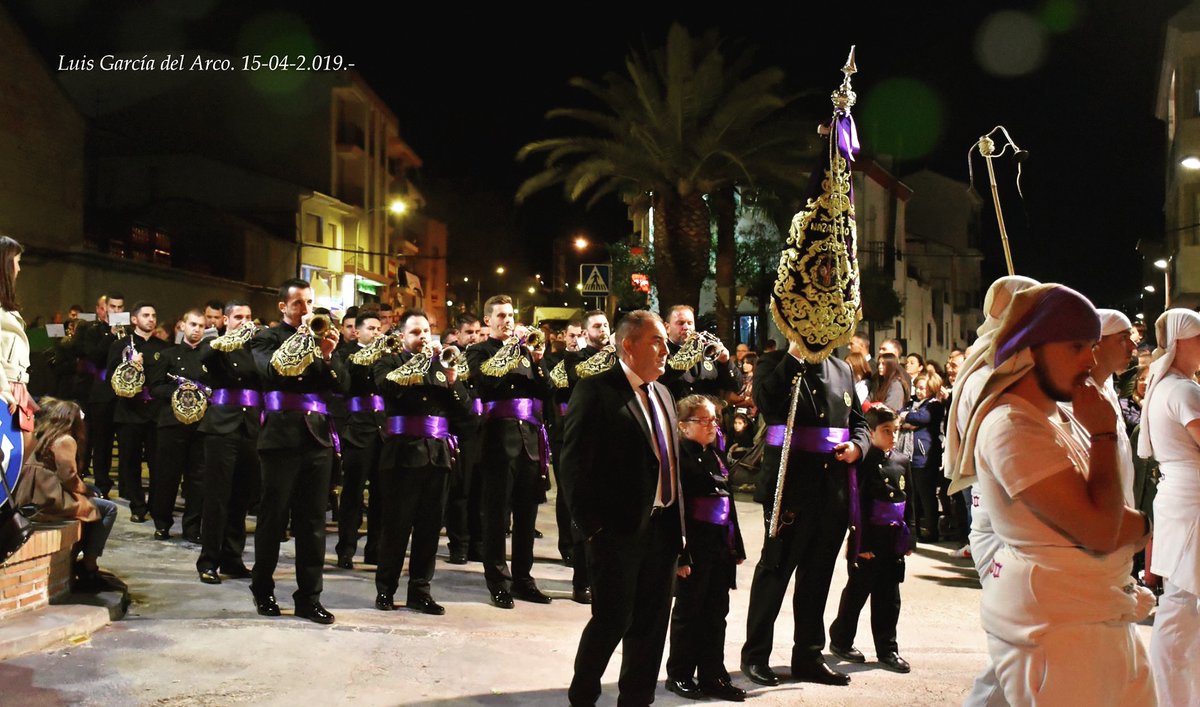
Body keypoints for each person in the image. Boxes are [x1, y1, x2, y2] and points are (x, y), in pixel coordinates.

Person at [960, 284, 1154, 706]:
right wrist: (1102, 433)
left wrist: (1126, 523)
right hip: (1058, 629)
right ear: (1032, 348)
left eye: (1092, 345)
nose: (1090, 359)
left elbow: (1107, 516)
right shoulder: (1011, 426)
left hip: (1096, 616)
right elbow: (1103, 530)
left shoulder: (1060, 414)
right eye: (1076, 346)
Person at [563, 310, 686, 706]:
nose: (667, 349)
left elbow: (671, 465)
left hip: (663, 532)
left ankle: (636, 700)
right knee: (612, 621)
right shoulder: (596, 390)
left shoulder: (664, 394)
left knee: (651, 628)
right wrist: (592, 529)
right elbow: (573, 466)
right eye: (657, 341)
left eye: (666, 340)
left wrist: (680, 532)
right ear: (628, 345)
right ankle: (583, 695)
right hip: (616, 532)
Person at [740, 339, 870, 688]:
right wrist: (794, 356)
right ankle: (756, 656)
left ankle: (809, 655)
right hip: (790, 488)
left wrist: (858, 446)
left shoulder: (842, 369)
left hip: (833, 491)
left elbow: (860, 422)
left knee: (817, 578)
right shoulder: (774, 363)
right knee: (775, 573)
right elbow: (767, 403)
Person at [247, 279, 346, 624]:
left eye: (309, 303)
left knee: (313, 523)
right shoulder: (266, 338)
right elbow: (272, 372)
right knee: (273, 520)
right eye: (299, 304)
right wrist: (304, 343)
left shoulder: (325, 339)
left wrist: (329, 355)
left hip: (316, 438)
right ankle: (263, 589)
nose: (306, 310)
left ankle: (309, 597)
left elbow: (341, 385)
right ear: (283, 307)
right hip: (280, 437)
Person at [372, 309, 472, 615]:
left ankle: (420, 591)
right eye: (415, 333)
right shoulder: (388, 361)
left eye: (426, 332)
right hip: (402, 455)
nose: (422, 338)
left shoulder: (443, 366)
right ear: (402, 337)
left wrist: (452, 380)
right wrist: (419, 364)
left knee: (430, 528)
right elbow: (386, 388)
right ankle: (386, 589)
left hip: (437, 455)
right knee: (397, 527)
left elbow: (465, 412)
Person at [465, 295, 553, 608]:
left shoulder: (528, 353)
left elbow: (547, 393)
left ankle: (524, 580)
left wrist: (539, 360)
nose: (507, 320)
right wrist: (511, 351)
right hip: (497, 443)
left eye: (511, 314)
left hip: (529, 442)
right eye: (500, 315)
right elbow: (485, 384)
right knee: (496, 517)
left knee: (527, 517)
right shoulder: (477, 351)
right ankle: (497, 581)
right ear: (488, 321)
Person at [664, 395, 747, 702]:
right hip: (695, 546)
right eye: (705, 420)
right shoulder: (677, 459)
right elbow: (677, 510)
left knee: (716, 613)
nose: (713, 425)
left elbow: (729, 503)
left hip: (719, 546)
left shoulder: (717, 455)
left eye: (714, 419)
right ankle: (680, 674)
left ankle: (713, 674)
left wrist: (736, 545)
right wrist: (680, 555)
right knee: (689, 612)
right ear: (684, 426)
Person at [1139, 308, 1200, 705]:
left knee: (1181, 604)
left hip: (1180, 497)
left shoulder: (1168, 386)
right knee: (1181, 606)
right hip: (1192, 500)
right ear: (1182, 341)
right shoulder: (1182, 390)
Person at [829, 404, 915, 673]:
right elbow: (857, 505)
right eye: (886, 431)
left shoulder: (901, 461)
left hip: (893, 538)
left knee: (889, 597)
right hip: (870, 538)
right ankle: (841, 639)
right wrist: (859, 544)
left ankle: (888, 649)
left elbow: (908, 500)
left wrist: (909, 536)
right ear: (871, 432)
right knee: (857, 592)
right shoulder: (864, 463)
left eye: (895, 430)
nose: (892, 436)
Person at [20, 397, 118, 590]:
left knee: (93, 503)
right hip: (49, 499)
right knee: (108, 509)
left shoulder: (38, 433)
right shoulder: (65, 440)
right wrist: (87, 491)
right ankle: (89, 566)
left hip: (29, 495)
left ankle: (82, 559)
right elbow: (69, 477)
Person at [195, 301, 260, 584]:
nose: (243, 321)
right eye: (237, 317)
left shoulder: (258, 348)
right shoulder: (217, 344)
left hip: (250, 427)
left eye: (247, 317)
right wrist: (227, 338)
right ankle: (208, 560)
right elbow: (203, 356)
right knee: (217, 497)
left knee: (241, 497)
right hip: (222, 426)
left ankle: (233, 557)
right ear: (225, 319)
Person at [147, 309, 208, 542]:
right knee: (167, 477)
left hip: (200, 425)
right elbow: (155, 387)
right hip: (171, 424)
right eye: (192, 324)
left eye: (201, 326)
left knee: (197, 479)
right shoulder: (168, 355)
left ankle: (192, 528)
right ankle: (162, 523)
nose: (197, 329)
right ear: (182, 325)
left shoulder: (208, 356)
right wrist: (180, 391)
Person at [107, 301, 169, 523]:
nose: (151, 319)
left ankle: (155, 504)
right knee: (129, 461)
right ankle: (137, 505)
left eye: (153, 315)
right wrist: (130, 365)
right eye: (145, 315)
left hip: (155, 413)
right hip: (129, 412)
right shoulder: (121, 345)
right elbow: (111, 377)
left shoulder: (163, 347)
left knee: (157, 462)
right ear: (134, 319)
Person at [335, 310, 385, 570]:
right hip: (357, 428)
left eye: (379, 328)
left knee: (381, 494)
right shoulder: (346, 354)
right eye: (371, 329)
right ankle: (346, 548)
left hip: (383, 431)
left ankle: (374, 549)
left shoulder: (388, 354)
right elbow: (343, 385)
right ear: (359, 331)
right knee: (353, 494)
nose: (377, 333)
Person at [445, 311, 483, 564]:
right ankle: (458, 544)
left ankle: (477, 543)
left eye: (477, 332)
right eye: (468, 332)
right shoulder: (449, 356)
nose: (473, 338)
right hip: (458, 429)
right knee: (459, 492)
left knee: (479, 491)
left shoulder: (483, 354)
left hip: (482, 429)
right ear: (457, 334)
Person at [660, 305, 738, 403]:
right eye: (680, 323)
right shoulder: (662, 352)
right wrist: (692, 349)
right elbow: (666, 376)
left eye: (690, 323)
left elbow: (736, 387)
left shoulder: (707, 351)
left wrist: (726, 362)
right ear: (667, 327)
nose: (686, 327)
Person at [901, 373, 945, 542]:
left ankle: (932, 530)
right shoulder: (912, 402)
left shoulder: (934, 405)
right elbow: (900, 413)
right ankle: (915, 530)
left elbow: (922, 417)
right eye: (917, 388)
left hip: (925, 457)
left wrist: (907, 418)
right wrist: (907, 420)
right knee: (913, 497)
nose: (918, 392)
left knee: (926, 495)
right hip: (910, 454)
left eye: (922, 388)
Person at [0, 237, 34, 449]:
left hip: (17, 388)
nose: (19, 269)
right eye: (17, 261)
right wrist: (4, 391)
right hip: (8, 391)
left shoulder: (6, 307)